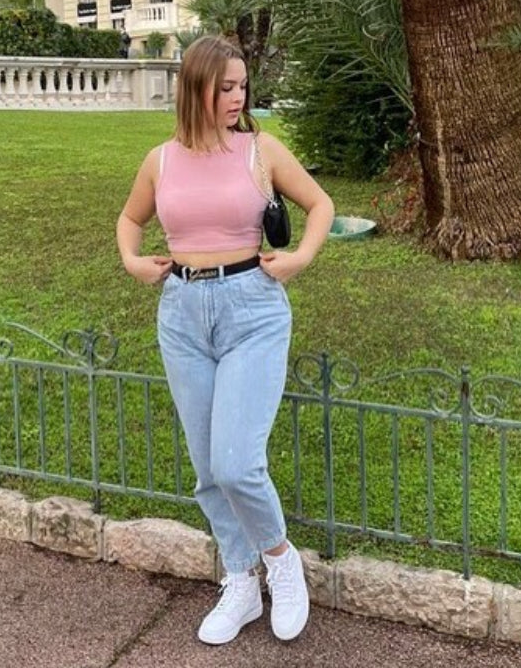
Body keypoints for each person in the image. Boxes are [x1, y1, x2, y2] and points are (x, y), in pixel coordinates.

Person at [117, 35, 334, 646]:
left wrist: (300, 258)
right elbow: (130, 218)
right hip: (182, 313)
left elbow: (320, 204)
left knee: (237, 462)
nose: (238, 97)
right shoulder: (161, 160)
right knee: (208, 468)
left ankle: (280, 560)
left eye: (243, 86)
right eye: (226, 87)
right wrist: (132, 260)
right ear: (196, 89)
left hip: (252, 309)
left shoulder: (260, 150)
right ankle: (239, 579)